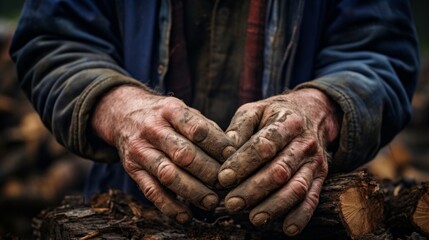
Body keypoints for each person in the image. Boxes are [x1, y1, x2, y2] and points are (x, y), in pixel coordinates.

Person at [10, 0, 419, 236]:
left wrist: (321, 108)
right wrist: (119, 109)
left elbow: (381, 53)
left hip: (304, 219)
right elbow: (52, 39)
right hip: (129, 216)